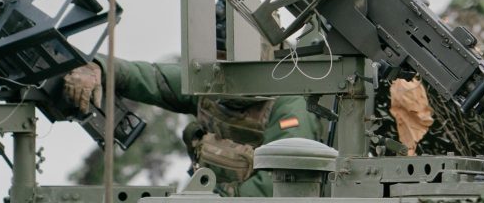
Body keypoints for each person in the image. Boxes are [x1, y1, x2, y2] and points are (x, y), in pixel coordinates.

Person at [62, 58, 320, 196]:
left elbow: (281, 186)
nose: (223, 68)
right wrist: (98, 68)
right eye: (219, 55)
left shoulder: (288, 104)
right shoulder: (208, 84)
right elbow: (151, 78)